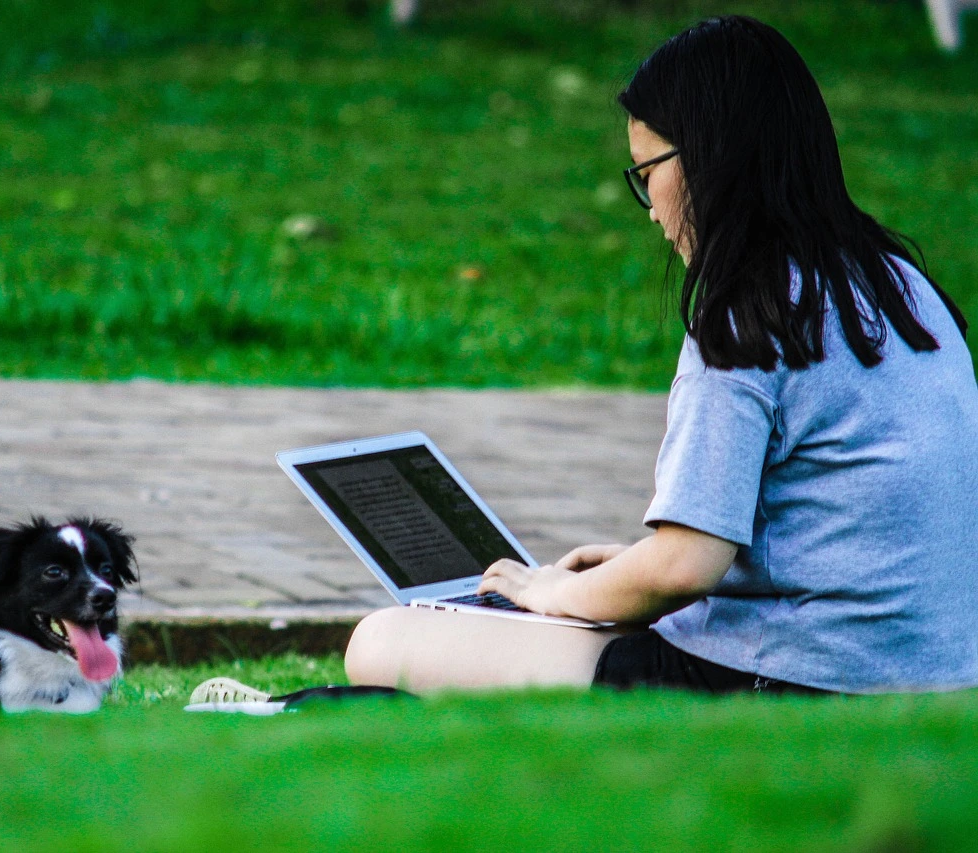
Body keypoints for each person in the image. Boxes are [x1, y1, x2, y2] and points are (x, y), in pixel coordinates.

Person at [344, 15, 978, 696]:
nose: (649, 209)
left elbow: (684, 566)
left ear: (710, 159)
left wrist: (553, 593)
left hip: (794, 678)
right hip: (931, 677)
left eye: (648, 173)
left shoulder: (750, 314)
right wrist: (625, 572)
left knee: (384, 638)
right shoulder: (903, 287)